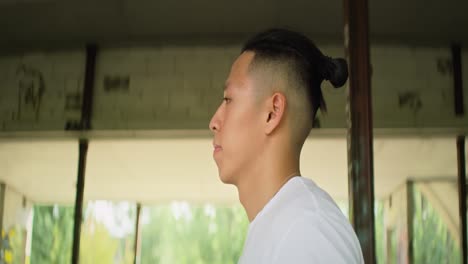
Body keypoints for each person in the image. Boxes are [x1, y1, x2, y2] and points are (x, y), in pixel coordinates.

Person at [209, 28, 364, 264]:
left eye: (228, 99)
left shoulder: (308, 232)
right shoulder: (284, 227)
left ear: (272, 113)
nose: (214, 122)